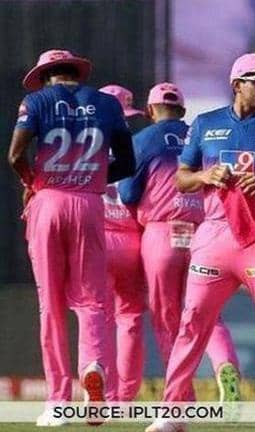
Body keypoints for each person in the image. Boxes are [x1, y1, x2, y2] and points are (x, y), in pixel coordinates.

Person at [145, 54, 255, 432]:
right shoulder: (205, 123)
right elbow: (182, 178)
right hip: (215, 236)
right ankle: (173, 413)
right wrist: (205, 176)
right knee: (191, 323)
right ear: (237, 85)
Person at [9, 49, 135, 426]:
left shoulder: (37, 101)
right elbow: (127, 163)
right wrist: (92, 176)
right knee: (92, 300)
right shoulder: (107, 104)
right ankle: (93, 366)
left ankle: (58, 400)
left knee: (50, 303)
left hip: (48, 200)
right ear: (76, 73)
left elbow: (15, 155)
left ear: (47, 76)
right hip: (90, 204)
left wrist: (32, 182)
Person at [117, 83, 240, 405]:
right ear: (183, 111)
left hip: (161, 234)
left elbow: (127, 193)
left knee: (167, 318)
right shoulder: (200, 136)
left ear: (150, 110)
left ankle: (181, 396)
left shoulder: (142, 140)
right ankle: (225, 363)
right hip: (201, 232)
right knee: (207, 310)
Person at [98, 84, 147, 402]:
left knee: (97, 315)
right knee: (129, 317)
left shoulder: (84, 143)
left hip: (96, 238)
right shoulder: (138, 144)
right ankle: (124, 397)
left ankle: (100, 385)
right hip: (131, 240)